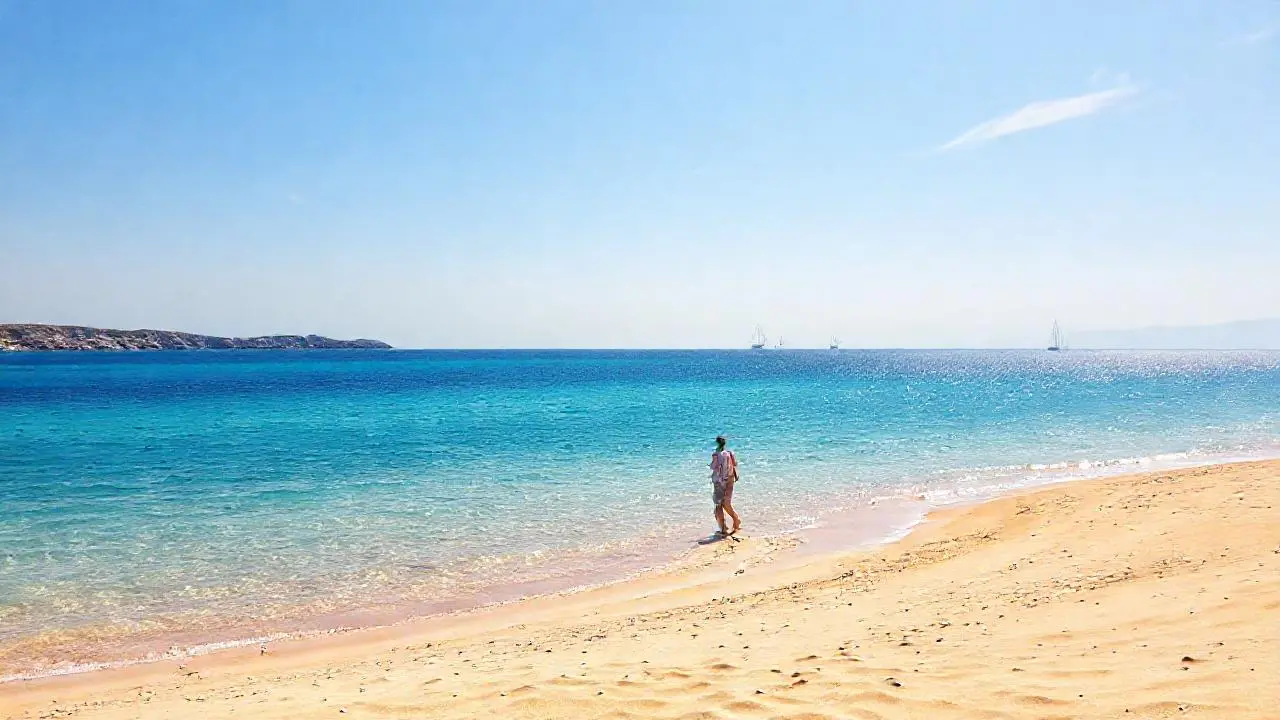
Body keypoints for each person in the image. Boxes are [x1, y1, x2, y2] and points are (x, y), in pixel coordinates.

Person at [709, 435, 741, 536]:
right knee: (727, 504)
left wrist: (710, 465)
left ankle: (723, 529)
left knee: (718, 505)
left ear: (717, 443)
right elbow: (735, 464)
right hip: (730, 480)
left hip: (719, 482)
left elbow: (714, 466)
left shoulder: (716, 454)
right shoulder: (730, 453)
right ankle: (736, 520)